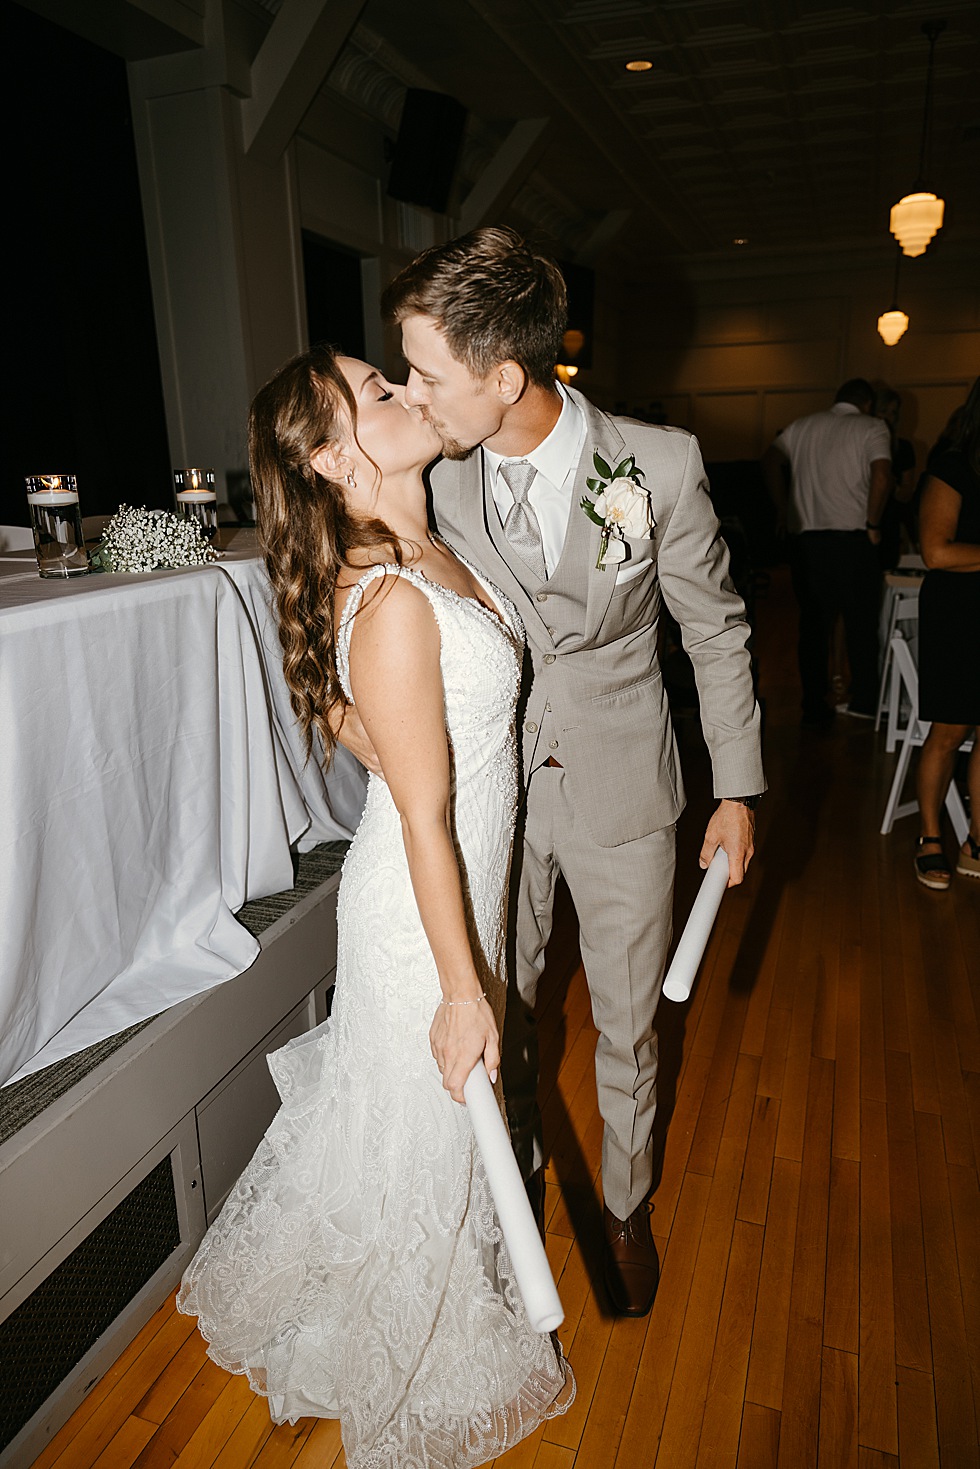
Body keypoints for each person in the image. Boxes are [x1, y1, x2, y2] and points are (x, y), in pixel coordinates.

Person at [332, 227, 764, 1319]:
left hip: (628, 790)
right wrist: (346, 718)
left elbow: (715, 631)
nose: (411, 397)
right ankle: (511, 1175)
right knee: (505, 1005)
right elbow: (341, 590)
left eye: (427, 376)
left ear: (505, 378)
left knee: (629, 1021)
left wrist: (737, 789)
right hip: (496, 795)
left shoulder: (660, 465)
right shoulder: (437, 473)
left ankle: (623, 1203)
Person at [177, 344, 574, 1466]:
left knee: (413, 1135)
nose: (408, 392)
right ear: (334, 457)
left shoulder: (422, 550)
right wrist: (462, 988)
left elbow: (380, 734)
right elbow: (423, 816)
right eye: (381, 392)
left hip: (452, 882)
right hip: (418, 909)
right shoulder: (392, 595)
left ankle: (365, 1314)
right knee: (423, 1129)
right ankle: (398, 1348)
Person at [763, 379, 893, 724]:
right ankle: (865, 702)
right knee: (861, 624)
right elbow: (882, 475)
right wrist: (874, 522)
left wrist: (783, 508)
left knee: (814, 627)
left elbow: (770, 460)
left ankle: (814, 704)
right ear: (867, 403)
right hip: (854, 539)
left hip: (808, 542)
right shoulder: (872, 426)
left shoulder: (802, 426)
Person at [913, 377, 980, 890]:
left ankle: (976, 840)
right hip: (959, 615)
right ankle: (930, 836)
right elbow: (936, 552)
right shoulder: (954, 467)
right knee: (950, 731)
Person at [874, 385, 916, 569]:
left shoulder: (903, 448)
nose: (887, 418)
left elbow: (906, 492)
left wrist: (891, 485)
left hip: (890, 521)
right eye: (883, 411)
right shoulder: (860, 443)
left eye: (893, 413)